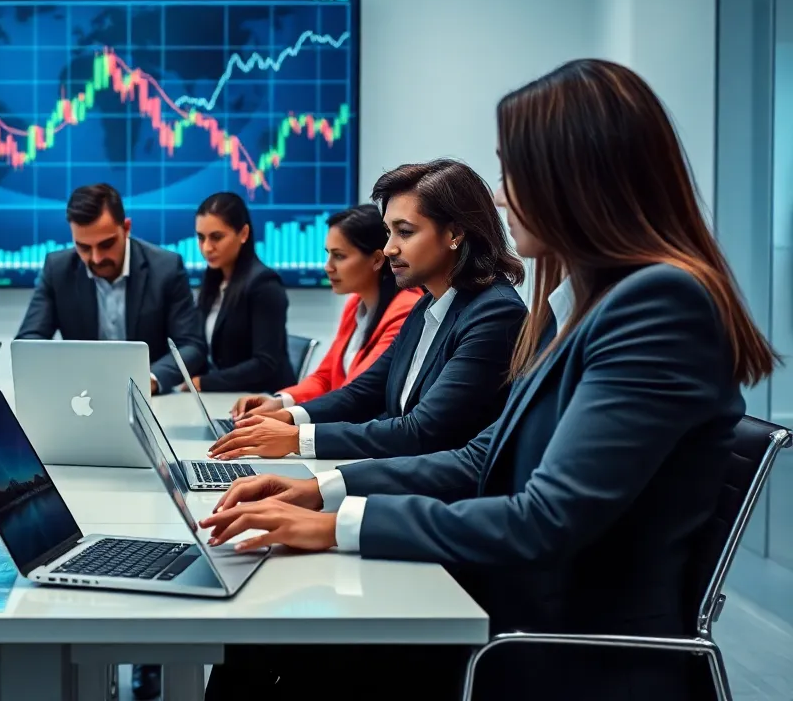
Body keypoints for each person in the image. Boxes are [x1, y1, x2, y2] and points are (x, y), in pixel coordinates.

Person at [199, 59, 777, 701]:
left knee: (275, 650)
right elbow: (484, 457)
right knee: (258, 642)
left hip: (553, 646)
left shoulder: (657, 306)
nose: (500, 196)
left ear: (573, 177)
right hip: (509, 606)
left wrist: (337, 525)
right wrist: (323, 494)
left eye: (512, 172)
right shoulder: (580, 309)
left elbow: (543, 520)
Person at [208, 160, 526, 462]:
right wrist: (287, 415)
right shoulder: (427, 306)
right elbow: (363, 392)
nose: (389, 249)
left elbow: (423, 431)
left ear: (454, 234)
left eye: (405, 232)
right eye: (389, 233)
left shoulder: (494, 314)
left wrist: (297, 438)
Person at [16, 182, 207, 396]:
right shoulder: (57, 269)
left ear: (126, 228)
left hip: (149, 401)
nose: (96, 258)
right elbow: (28, 345)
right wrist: (66, 379)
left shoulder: (166, 268)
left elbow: (191, 345)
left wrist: (150, 379)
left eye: (106, 244)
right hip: (82, 399)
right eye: (84, 247)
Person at [229, 204, 422, 415]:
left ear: (376, 260)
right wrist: (279, 401)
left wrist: (289, 417)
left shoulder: (405, 310)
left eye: (339, 256)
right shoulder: (355, 305)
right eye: (328, 254)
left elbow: (356, 393)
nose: (327, 266)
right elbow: (325, 377)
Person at [187, 192, 296, 393]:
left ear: (244, 234)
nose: (206, 248)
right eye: (201, 238)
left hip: (264, 402)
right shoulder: (212, 280)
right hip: (225, 398)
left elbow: (264, 364)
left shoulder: (265, 284)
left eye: (216, 237)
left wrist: (205, 382)